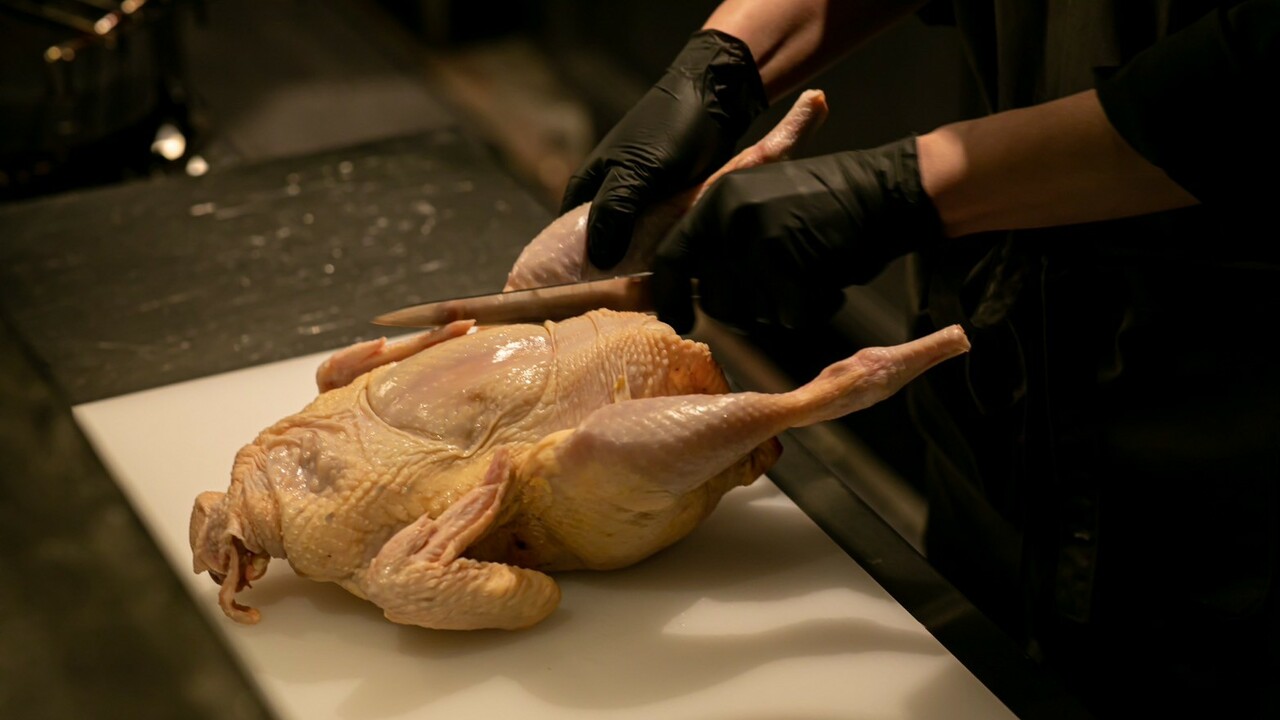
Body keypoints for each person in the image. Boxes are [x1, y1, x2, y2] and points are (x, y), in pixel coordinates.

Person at [559, 1, 1279, 718]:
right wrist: (728, 59)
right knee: (975, 668)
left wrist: (907, 187)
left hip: (1224, 444)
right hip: (1002, 365)